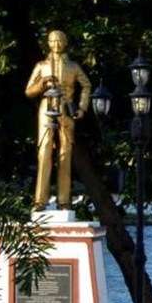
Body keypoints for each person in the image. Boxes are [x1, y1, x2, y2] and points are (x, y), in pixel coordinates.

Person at [24, 30, 92, 211]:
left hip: (66, 109)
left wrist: (82, 108)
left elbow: (86, 85)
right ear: (48, 43)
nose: (56, 44)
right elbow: (29, 91)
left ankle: (64, 201)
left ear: (65, 42)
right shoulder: (41, 66)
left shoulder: (73, 66)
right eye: (53, 41)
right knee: (44, 151)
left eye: (60, 41)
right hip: (46, 108)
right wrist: (42, 83)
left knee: (65, 153)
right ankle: (40, 200)